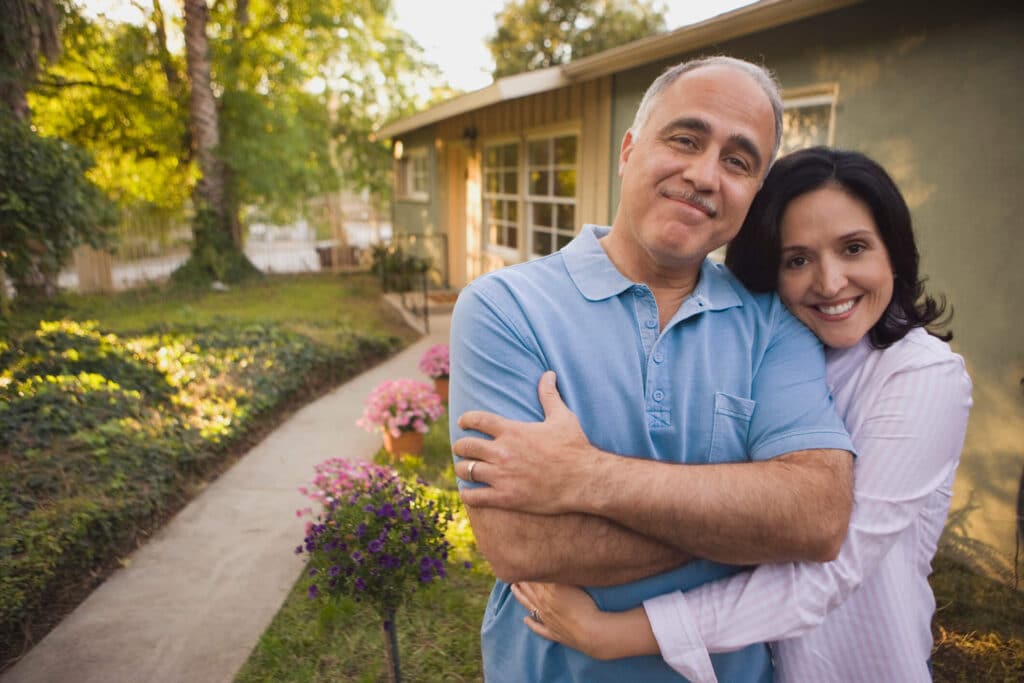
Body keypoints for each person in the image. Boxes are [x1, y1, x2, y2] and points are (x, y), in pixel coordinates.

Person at [491, 147, 973, 682]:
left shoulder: (922, 374)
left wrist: (616, 633)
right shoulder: (771, 345)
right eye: (798, 259)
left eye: (854, 248)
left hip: (862, 666)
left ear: (894, 254)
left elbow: (830, 564)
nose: (830, 282)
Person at [448, 56, 857, 682]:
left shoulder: (774, 322)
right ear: (629, 150)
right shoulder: (506, 308)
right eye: (685, 139)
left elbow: (817, 517)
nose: (704, 174)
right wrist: (749, 526)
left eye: (738, 161)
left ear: (753, 193)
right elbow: (520, 545)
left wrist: (585, 478)